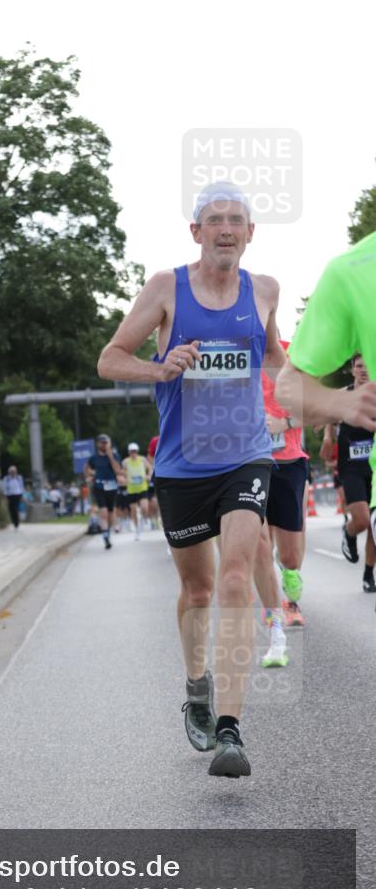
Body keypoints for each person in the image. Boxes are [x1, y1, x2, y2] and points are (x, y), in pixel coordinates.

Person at [97, 181, 285, 777]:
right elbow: (109, 359)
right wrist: (160, 368)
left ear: (250, 232)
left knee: (236, 576)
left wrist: (305, 399)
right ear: (196, 231)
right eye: (215, 220)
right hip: (182, 466)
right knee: (199, 591)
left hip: (247, 456)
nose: (226, 229)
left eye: (236, 220)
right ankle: (197, 686)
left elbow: (276, 361)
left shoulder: (265, 290)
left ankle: (230, 730)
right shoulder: (165, 288)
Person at [276, 231, 376, 550]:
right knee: (360, 519)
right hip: (352, 462)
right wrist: (339, 403)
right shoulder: (351, 270)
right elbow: (289, 383)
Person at [254, 338, 309, 647]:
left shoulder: (293, 356)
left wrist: (282, 423)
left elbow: (314, 411)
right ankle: (275, 609)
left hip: (288, 463)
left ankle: (290, 581)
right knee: (259, 543)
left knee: (289, 554)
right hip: (250, 464)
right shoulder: (238, 356)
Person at [320, 354, 375, 592]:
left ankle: (368, 574)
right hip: (351, 466)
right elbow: (328, 418)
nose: (364, 370)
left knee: (374, 525)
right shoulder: (343, 396)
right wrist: (327, 438)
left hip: (374, 467)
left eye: (368, 366)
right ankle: (349, 532)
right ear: (352, 370)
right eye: (359, 366)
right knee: (362, 520)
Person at [83, 434, 122, 549]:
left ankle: (107, 532)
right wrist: (89, 475)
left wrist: (110, 456)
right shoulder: (93, 458)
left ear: (109, 444)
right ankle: (106, 538)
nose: (104, 445)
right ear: (98, 444)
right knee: (103, 512)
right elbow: (86, 469)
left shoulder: (114, 456)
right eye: (102, 443)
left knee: (111, 513)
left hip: (112, 487)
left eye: (106, 443)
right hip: (99, 487)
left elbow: (117, 470)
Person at [123, 442, 152, 539]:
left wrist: (148, 475)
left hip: (142, 488)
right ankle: (137, 530)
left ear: (137, 451)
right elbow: (122, 472)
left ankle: (144, 519)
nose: (133, 453)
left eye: (135, 451)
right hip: (131, 490)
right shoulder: (125, 462)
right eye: (131, 451)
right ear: (129, 452)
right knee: (134, 511)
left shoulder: (142, 459)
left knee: (145, 508)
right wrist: (125, 478)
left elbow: (150, 468)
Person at [3, 465, 25, 529]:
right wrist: (5, 495)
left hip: (17, 494)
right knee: (11, 508)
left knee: (15, 508)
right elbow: (5, 487)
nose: (13, 472)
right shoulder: (7, 478)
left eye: (14, 471)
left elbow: (21, 486)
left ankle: (16, 522)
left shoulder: (19, 478)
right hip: (10, 495)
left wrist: (22, 494)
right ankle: (14, 520)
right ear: (9, 472)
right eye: (11, 471)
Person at [146, 433, 160, 529]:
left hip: (167, 475)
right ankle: (153, 519)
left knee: (157, 501)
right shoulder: (155, 440)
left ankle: (159, 519)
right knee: (153, 502)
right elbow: (150, 457)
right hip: (155, 475)